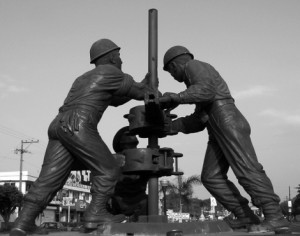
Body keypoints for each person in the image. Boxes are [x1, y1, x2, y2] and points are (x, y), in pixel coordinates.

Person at [10, 39, 154, 236]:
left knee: (49, 178)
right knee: (109, 168)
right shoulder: (112, 72)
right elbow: (140, 93)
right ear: (112, 57)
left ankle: (22, 223)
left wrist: (139, 88)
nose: (121, 60)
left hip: (59, 124)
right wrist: (148, 86)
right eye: (119, 56)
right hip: (79, 123)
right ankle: (95, 214)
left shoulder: (84, 77)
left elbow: (114, 100)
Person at [159, 45, 289, 233]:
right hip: (216, 124)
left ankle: (275, 217)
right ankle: (245, 215)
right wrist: (171, 126)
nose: (172, 76)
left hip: (226, 118)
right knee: (211, 177)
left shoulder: (193, 65)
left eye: (171, 71)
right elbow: (199, 119)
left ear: (175, 64)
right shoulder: (193, 82)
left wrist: (176, 98)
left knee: (247, 168)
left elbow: (205, 91)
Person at [107, 126, 148, 222]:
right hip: (118, 201)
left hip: (140, 201)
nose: (132, 136)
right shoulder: (115, 160)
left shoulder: (143, 157)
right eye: (128, 134)